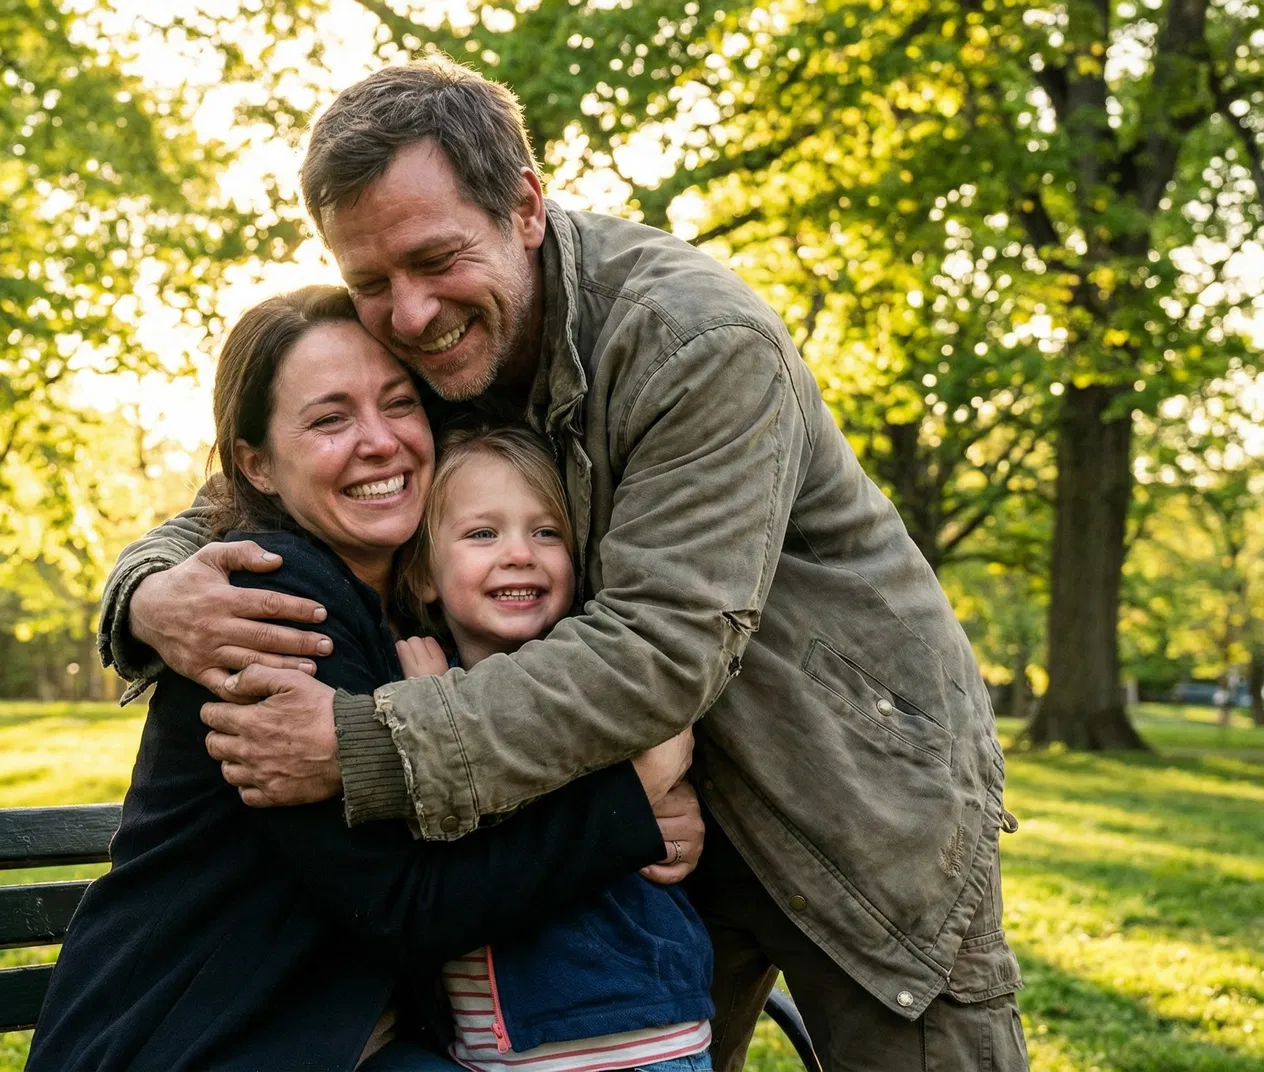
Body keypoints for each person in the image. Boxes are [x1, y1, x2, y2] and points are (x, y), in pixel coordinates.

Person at [97, 60, 1028, 1070]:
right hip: (645, 817)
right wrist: (145, 594)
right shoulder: (427, 343)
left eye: (434, 258)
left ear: (527, 208)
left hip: (851, 792)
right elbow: (243, 495)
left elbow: (660, 646)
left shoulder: (696, 341)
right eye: (371, 282)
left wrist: (362, 742)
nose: (408, 315)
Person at [28, 286, 699, 1071]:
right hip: (192, 1042)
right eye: (329, 419)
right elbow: (407, 906)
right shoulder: (271, 605)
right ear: (256, 465)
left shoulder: (422, 611)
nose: (378, 442)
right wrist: (631, 799)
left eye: (398, 403)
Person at [395, 423, 714, 1071]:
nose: (520, 553)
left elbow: (525, 816)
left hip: (624, 1036)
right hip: (492, 1049)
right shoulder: (417, 680)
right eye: (483, 534)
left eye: (547, 533)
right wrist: (429, 710)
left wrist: (440, 719)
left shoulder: (599, 682)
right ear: (425, 574)